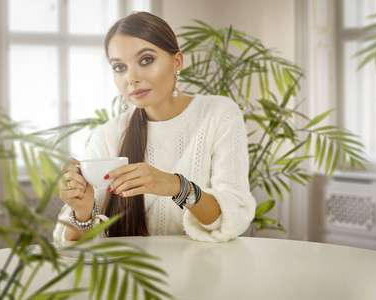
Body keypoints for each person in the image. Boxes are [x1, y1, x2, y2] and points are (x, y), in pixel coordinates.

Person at [53, 11, 256, 243]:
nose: (132, 78)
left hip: (203, 272)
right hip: (129, 275)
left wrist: (177, 186)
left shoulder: (219, 115)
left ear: (177, 61)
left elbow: (232, 219)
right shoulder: (108, 135)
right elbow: (71, 242)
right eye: (119, 67)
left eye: (146, 60)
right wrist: (83, 212)